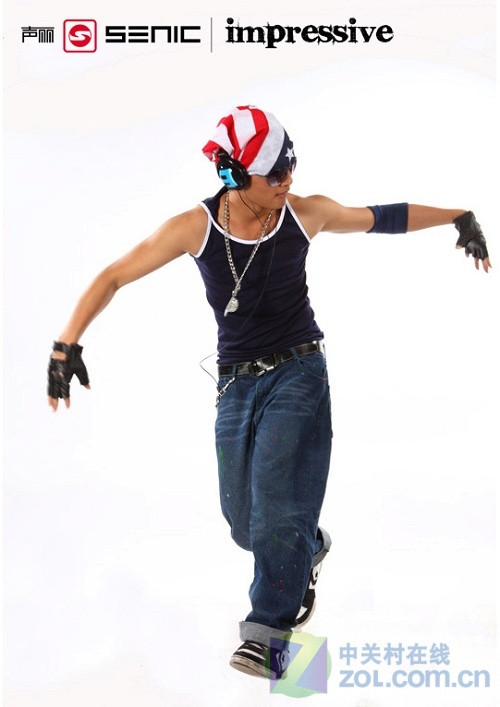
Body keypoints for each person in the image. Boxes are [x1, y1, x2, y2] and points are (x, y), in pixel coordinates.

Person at [47, 105, 491, 681]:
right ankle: (305, 548)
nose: (287, 181)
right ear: (233, 175)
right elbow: (113, 276)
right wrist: (66, 345)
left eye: (290, 167)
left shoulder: (304, 213)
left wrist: (458, 216)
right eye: (274, 174)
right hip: (235, 383)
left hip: (299, 372)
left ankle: (271, 642)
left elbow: (381, 217)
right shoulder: (195, 228)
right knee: (245, 523)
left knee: (278, 506)